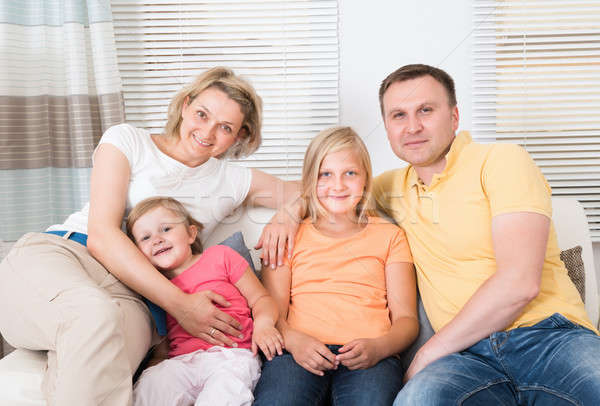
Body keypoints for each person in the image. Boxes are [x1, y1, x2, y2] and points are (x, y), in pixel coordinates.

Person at [0, 67, 301, 405]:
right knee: (93, 313)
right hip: (71, 254)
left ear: (240, 136)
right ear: (185, 105)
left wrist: (288, 215)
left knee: (99, 360)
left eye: (225, 127)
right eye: (202, 114)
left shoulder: (231, 180)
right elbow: (102, 234)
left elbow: (312, 191)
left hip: (138, 301)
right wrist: (182, 305)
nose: (207, 131)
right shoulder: (128, 140)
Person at [372, 64, 600, 405]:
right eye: (398, 115)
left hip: (550, 338)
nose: (413, 126)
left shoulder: (502, 161)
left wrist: (425, 355)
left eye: (426, 110)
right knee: (417, 400)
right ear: (387, 129)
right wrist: (286, 217)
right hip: (466, 359)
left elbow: (519, 283)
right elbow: (323, 191)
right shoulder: (390, 187)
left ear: (454, 116)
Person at [253, 126, 419, 406]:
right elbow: (272, 312)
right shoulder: (287, 235)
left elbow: (407, 320)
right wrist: (294, 341)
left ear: (366, 179)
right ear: (310, 181)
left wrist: (380, 348)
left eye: (350, 173)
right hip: (297, 352)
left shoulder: (390, 236)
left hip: (370, 356)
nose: (338, 185)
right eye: (325, 174)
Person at [126, 197, 283, 405]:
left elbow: (261, 298)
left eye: (165, 229)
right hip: (180, 362)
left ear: (191, 233)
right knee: (151, 386)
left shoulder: (221, 256)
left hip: (232, 356)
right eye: (145, 238)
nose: (156, 239)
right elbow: (163, 341)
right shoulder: (156, 287)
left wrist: (264, 325)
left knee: (225, 392)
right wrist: (155, 366)